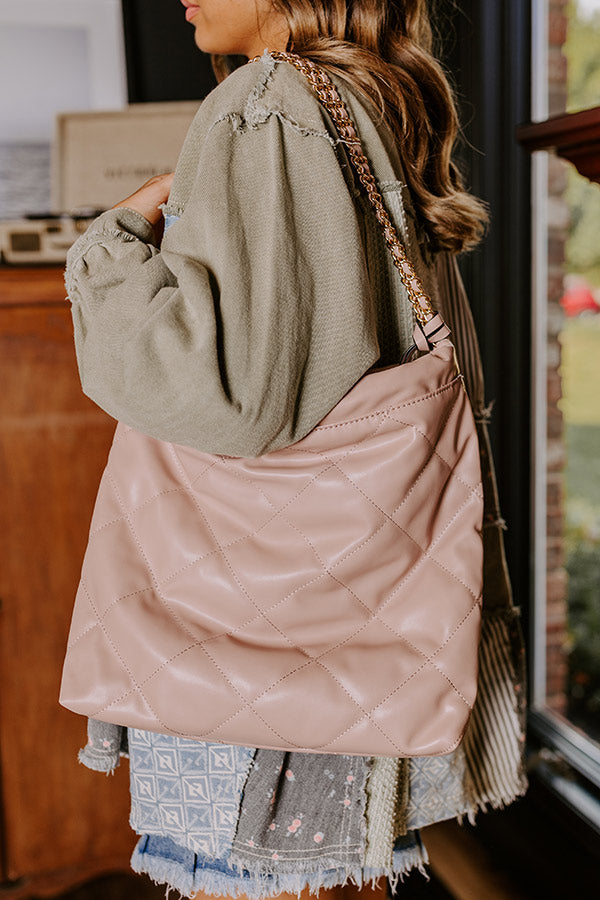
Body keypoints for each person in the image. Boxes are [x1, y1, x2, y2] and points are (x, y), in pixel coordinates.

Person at [63, 1, 528, 897]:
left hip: (250, 609)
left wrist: (111, 246)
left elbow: (227, 396)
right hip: (356, 589)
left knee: (240, 878)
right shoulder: (370, 92)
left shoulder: (269, 100)